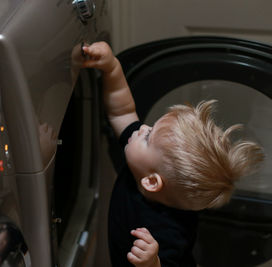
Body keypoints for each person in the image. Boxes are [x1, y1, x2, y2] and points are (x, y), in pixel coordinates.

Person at [81, 41, 264, 267]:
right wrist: (111, 68)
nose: (142, 129)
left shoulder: (168, 233)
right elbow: (123, 111)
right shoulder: (144, 163)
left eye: (148, 137)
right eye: (150, 127)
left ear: (151, 181)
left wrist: (152, 262)